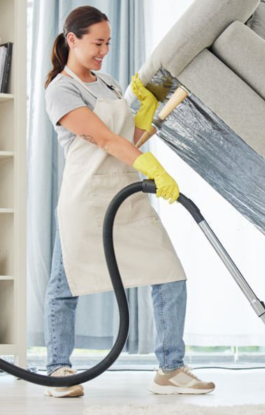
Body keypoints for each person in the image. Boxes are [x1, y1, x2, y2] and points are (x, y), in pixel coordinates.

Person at [42, 6, 214, 398]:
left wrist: (148, 113)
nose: (104, 51)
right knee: (65, 286)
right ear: (73, 39)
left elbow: (128, 141)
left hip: (126, 192)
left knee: (169, 274)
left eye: (108, 43)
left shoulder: (108, 82)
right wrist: (152, 166)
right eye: (97, 43)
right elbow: (102, 139)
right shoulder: (60, 89)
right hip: (86, 198)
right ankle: (57, 369)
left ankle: (170, 368)